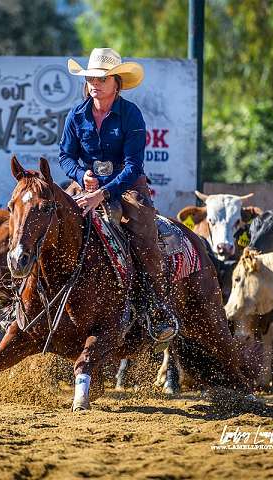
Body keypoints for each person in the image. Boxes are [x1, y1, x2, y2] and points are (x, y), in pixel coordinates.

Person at [58, 47, 177, 343]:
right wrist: (78, 174)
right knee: (50, 220)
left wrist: (103, 193)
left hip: (127, 186)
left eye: (101, 78)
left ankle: (154, 306)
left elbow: (134, 165)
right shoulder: (76, 115)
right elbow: (64, 156)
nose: (94, 83)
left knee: (142, 230)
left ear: (116, 82)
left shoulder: (131, 114)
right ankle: (32, 299)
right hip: (86, 186)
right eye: (90, 78)